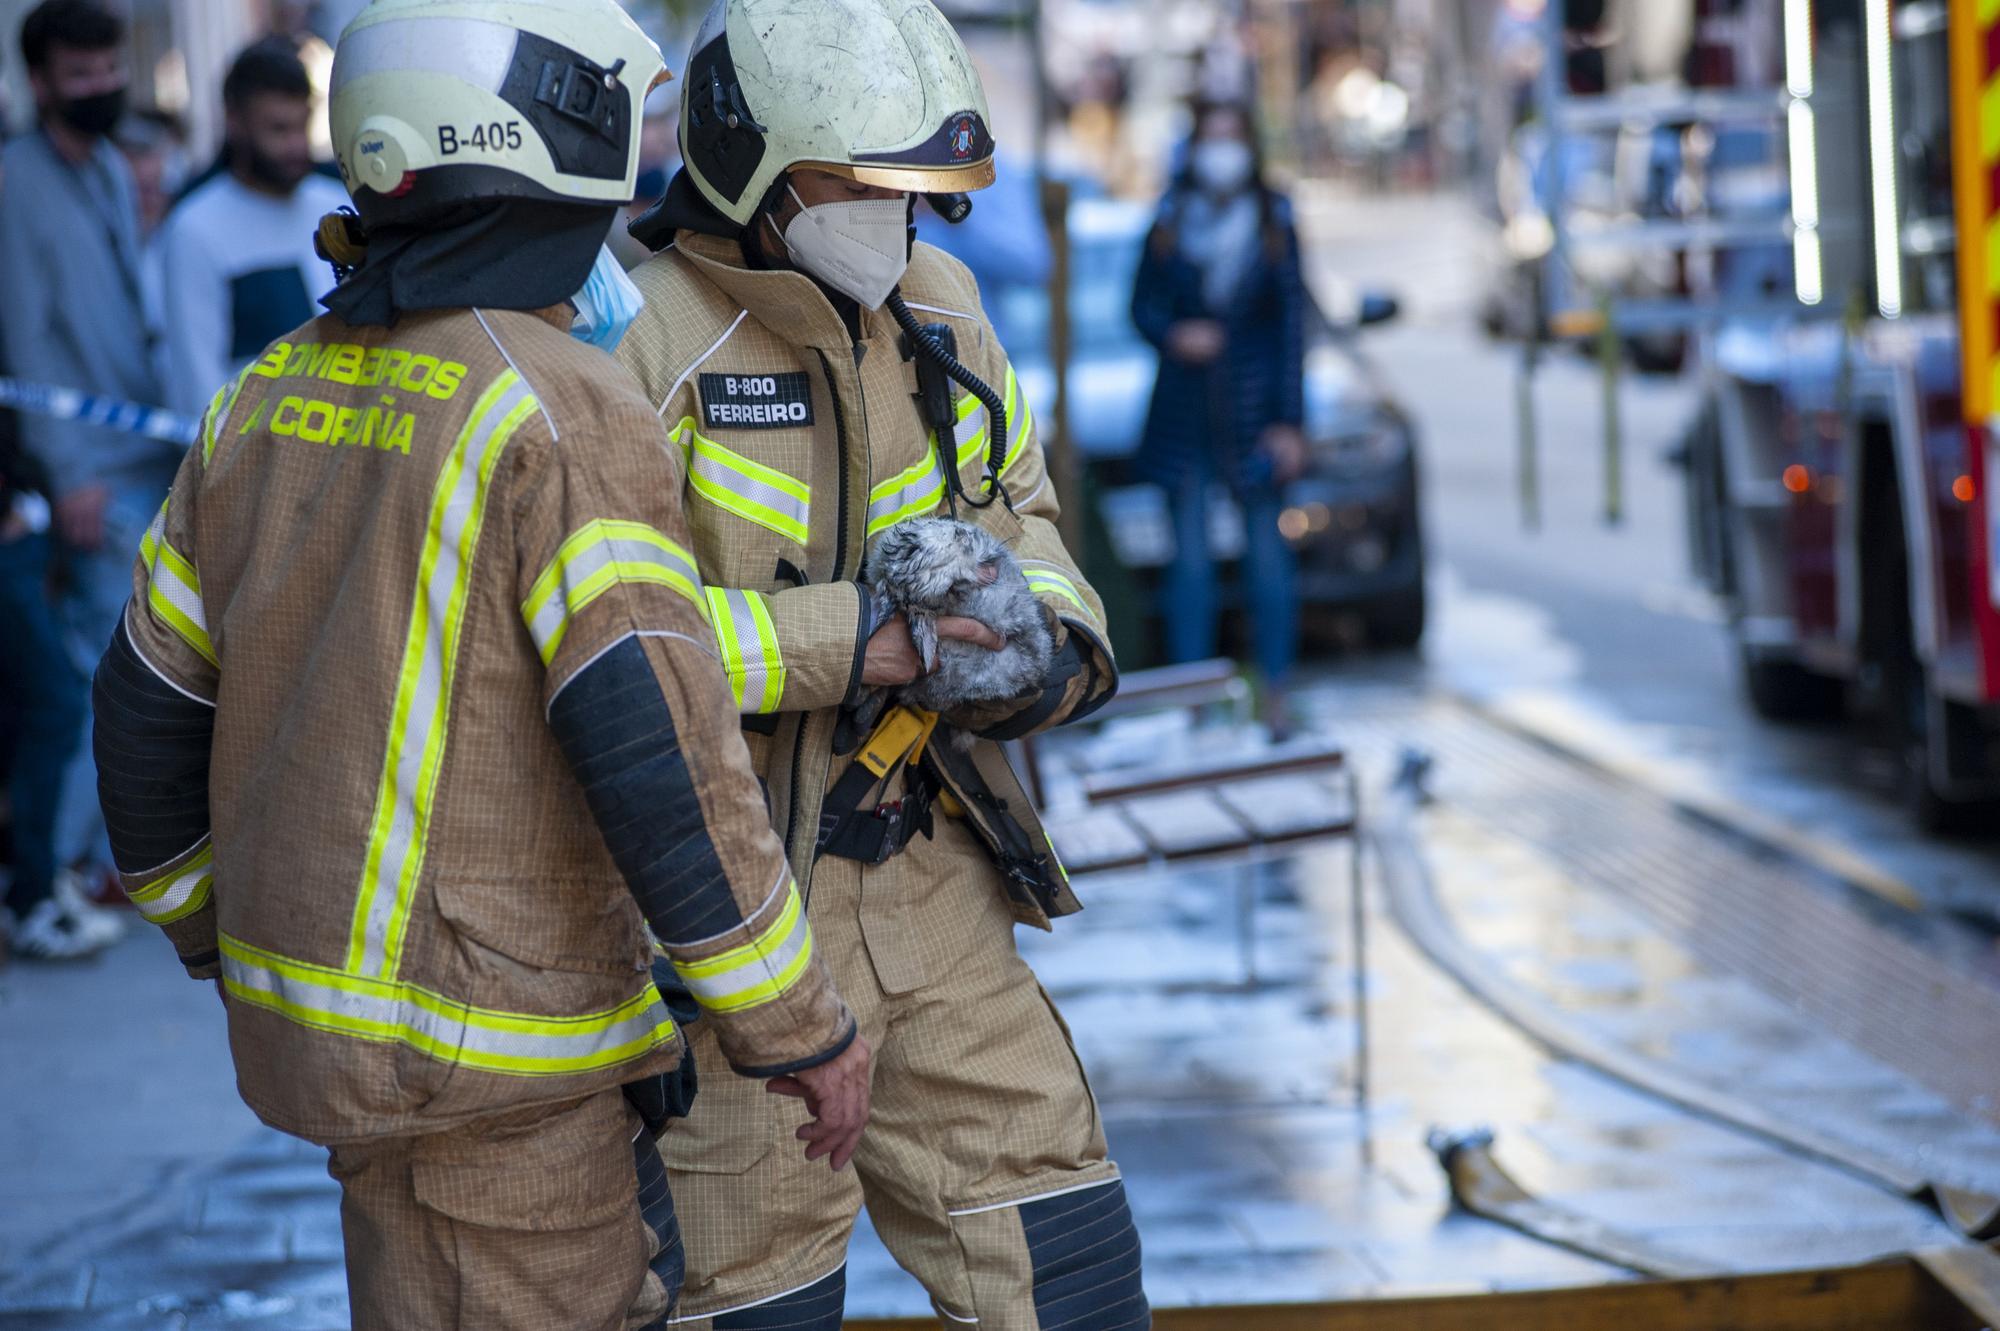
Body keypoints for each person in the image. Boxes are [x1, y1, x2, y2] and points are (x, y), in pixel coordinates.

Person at [88, 2, 870, 1326]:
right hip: (505, 1077)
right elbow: (658, 751)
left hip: (344, 1056)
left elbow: (143, 709)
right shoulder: (559, 403)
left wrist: (226, 939)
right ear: (548, 147)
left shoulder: (264, 394)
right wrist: (799, 1023)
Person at [615, 1, 1148, 1325]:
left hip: (927, 876)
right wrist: (861, 640)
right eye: (864, 181)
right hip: (736, 910)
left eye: (919, 188)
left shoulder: (940, 304)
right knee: (750, 1296)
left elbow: (1023, 512)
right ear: (752, 158)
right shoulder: (639, 341)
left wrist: (1046, 647)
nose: (897, 214)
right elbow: (611, 642)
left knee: (1067, 1268)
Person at [0, 0, 169, 895]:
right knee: (102, 673)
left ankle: (105, 861)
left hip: (141, 448)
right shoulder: (16, 181)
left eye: (110, 68)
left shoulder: (109, 163)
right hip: (91, 474)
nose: (101, 87)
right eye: (81, 74)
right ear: (39, 82)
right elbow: (27, 346)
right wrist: (66, 472)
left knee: (143, 663)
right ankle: (54, 869)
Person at [1132, 99, 1308, 729]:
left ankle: (1277, 692)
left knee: (1268, 557)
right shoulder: (1170, 217)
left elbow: (1292, 326)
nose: (1222, 151)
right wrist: (1175, 334)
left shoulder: (1273, 219)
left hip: (1255, 414)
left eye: (1233, 136)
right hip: (1187, 414)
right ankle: (1194, 696)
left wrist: (1291, 421)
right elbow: (1141, 306)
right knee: (1190, 563)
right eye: (1212, 138)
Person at [154, 38, 349, 416]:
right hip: (259, 460)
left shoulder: (337, 204)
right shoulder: (194, 229)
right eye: (278, 130)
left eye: (302, 125)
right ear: (235, 123)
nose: (296, 145)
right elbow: (198, 389)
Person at [0, 296, 110, 962]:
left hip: (23, 519)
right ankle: (35, 898)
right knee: (56, 703)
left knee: (42, 704)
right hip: (12, 532)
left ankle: (35, 891)